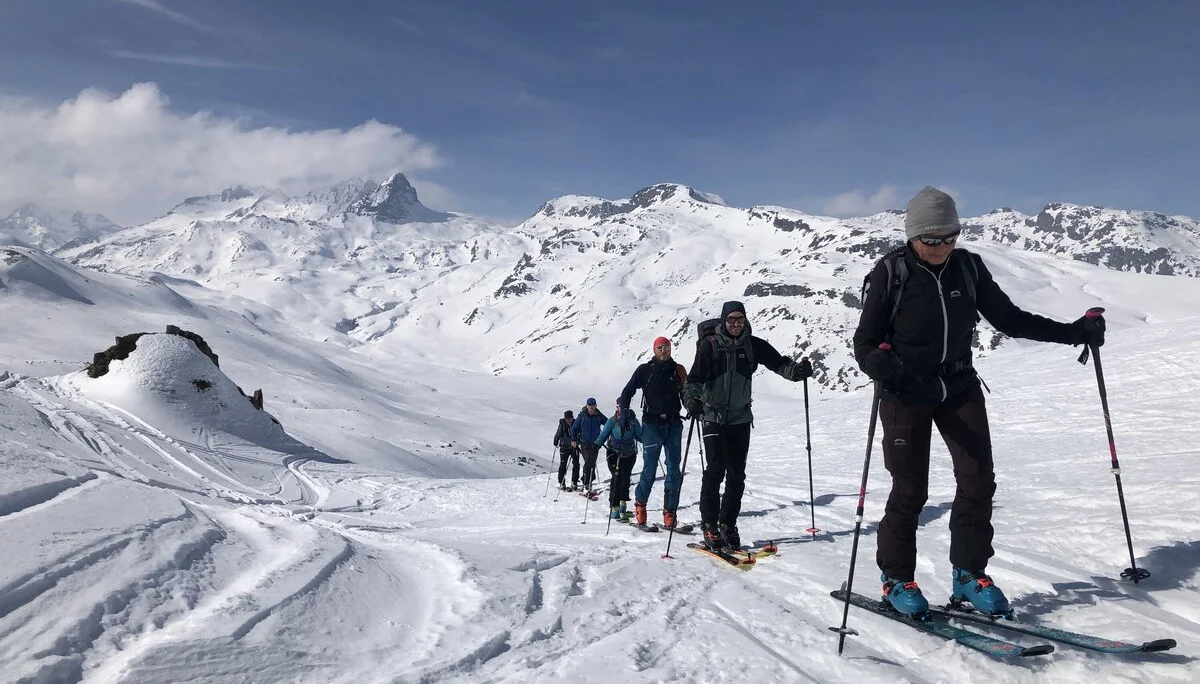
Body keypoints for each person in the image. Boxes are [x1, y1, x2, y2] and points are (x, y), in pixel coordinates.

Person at [853, 185, 1107, 617]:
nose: (941, 246)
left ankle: (969, 575)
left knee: (977, 481)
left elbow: (1009, 319)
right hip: (906, 393)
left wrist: (1073, 332)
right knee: (910, 489)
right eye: (931, 239)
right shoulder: (890, 273)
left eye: (949, 236)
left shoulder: (968, 267)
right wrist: (879, 365)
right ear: (913, 235)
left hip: (959, 386)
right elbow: (864, 342)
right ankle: (896, 579)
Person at [682, 303, 813, 551]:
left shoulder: (752, 345)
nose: (736, 324)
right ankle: (709, 523)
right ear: (723, 320)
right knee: (715, 469)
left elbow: (779, 363)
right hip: (712, 415)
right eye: (731, 320)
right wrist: (691, 400)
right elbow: (694, 380)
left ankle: (728, 524)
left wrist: (797, 372)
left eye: (740, 320)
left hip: (740, 418)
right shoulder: (709, 347)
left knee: (736, 474)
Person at [618, 336, 689, 529]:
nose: (663, 351)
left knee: (674, 469)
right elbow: (627, 392)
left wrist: (693, 406)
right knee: (649, 469)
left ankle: (670, 513)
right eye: (659, 348)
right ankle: (640, 507)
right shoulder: (645, 370)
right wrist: (624, 412)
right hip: (651, 425)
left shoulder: (678, 370)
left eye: (666, 347)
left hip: (674, 424)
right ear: (654, 350)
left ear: (671, 349)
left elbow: (687, 393)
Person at [595, 402, 642, 520]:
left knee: (625, 479)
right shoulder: (612, 421)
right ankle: (615, 507)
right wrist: (596, 446)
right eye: (620, 406)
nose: (621, 409)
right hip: (614, 453)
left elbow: (640, 436)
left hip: (629, 454)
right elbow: (604, 434)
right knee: (617, 478)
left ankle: (622, 506)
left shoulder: (633, 421)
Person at [569, 398, 607, 493]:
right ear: (587, 406)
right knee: (588, 461)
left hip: (596, 444)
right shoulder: (582, 416)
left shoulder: (598, 415)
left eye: (593, 405)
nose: (591, 407)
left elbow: (607, 423)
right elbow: (574, 428)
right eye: (590, 405)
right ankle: (586, 483)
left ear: (595, 406)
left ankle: (589, 480)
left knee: (592, 463)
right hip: (585, 443)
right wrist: (573, 439)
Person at [552, 410, 580, 490]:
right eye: (567, 419)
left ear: (572, 417)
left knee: (576, 464)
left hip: (574, 447)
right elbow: (558, 433)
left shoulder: (576, 423)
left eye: (570, 418)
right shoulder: (562, 424)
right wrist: (556, 441)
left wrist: (578, 442)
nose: (568, 420)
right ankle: (561, 482)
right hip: (564, 447)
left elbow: (579, 434)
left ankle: (574, 482)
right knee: (563, 465)